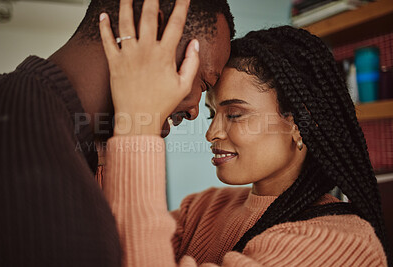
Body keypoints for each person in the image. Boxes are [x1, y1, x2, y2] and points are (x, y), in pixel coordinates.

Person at [98, 0, 391, 266]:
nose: (211, 133)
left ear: (301, 123)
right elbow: (111, 249)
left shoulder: (340, 243)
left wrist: (137, 127)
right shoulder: (201, 209)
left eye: (235, 114)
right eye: (212, 114)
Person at [0, 0, 234, 266]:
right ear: (152, 30)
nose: (194, 113)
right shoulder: (26, 149)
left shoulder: (71, 141)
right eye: (203, 82)